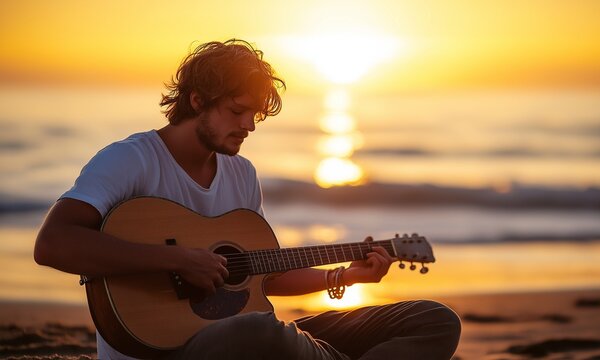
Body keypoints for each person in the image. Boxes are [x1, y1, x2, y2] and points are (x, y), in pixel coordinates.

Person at [34, 39, 460, 360]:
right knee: (258, 330)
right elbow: (53, 243)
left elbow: (260, 275)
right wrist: (177, 260)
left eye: (255, 114)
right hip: (168, 350)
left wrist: (346, 277)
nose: (249, 126)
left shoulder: (241, 173)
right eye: (238, 111)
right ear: (197, 100)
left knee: (433, 319)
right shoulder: (130, 159)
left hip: (247, 339)